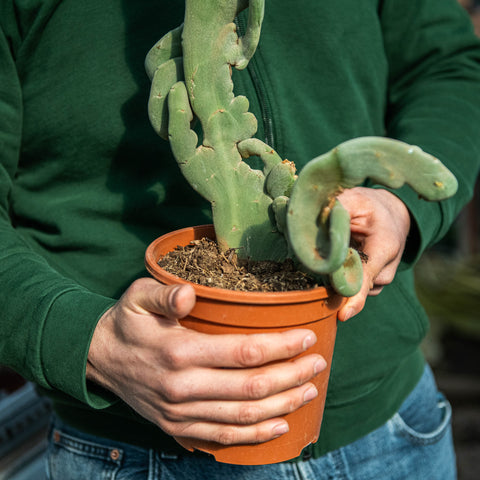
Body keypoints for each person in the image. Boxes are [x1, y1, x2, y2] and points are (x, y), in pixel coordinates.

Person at [1, 0, 479, 478]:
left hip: (395, 429)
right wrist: (88, 340)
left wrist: (400, 206)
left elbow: (447, 63)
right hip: (136, 454)